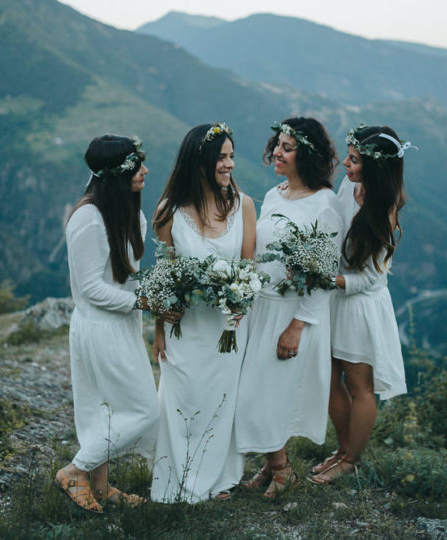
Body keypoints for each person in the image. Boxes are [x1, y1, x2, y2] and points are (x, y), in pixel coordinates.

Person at [55, 135, 171, 512]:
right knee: (144, 411)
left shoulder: (127, 212)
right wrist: (142, 301)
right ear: (117, 175)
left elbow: (126, 276)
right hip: (99, 328)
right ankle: (76, 470)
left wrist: (154, 293)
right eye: (138, 166)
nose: (146, 171)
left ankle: (101, 486)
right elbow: (90, 289)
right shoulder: (88, 219)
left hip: (120, 325)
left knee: (103, 409)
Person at [234, 117, 342, 498]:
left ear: (306, 155)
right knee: (255, 391)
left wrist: (298, 325)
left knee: (269, 392)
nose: (277, 152)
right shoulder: (275, 194)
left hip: (292, 312)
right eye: (277, 144)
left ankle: (282, 470)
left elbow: (325, 273)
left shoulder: (325, 205)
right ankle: (271, 465)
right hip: (261, 308)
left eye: (287, 147)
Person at [150, 122, 257, 503]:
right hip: (185, 326)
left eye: (231, 155)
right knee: (182, 398)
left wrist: (241, 298)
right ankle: (176, 482)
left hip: (225, 327)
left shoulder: (243, 205)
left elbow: (248, 266)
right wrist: (159, 324)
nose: (229, 164)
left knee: (219, 400)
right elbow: (162, 273)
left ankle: (218, 479)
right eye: (221, 157)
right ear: (200, 162)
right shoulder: (168, 212)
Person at [310, 124, 410, 484]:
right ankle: (341, 449)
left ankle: (351, 460)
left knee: (359, 385)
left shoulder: (383, 212)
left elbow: (372, 277)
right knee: (328, 378)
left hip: (361, 306)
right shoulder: (349, 187)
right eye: (350, 158)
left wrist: (331, 279)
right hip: (336, 299)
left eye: (354, 161)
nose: (346, 166)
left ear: (375, 167)